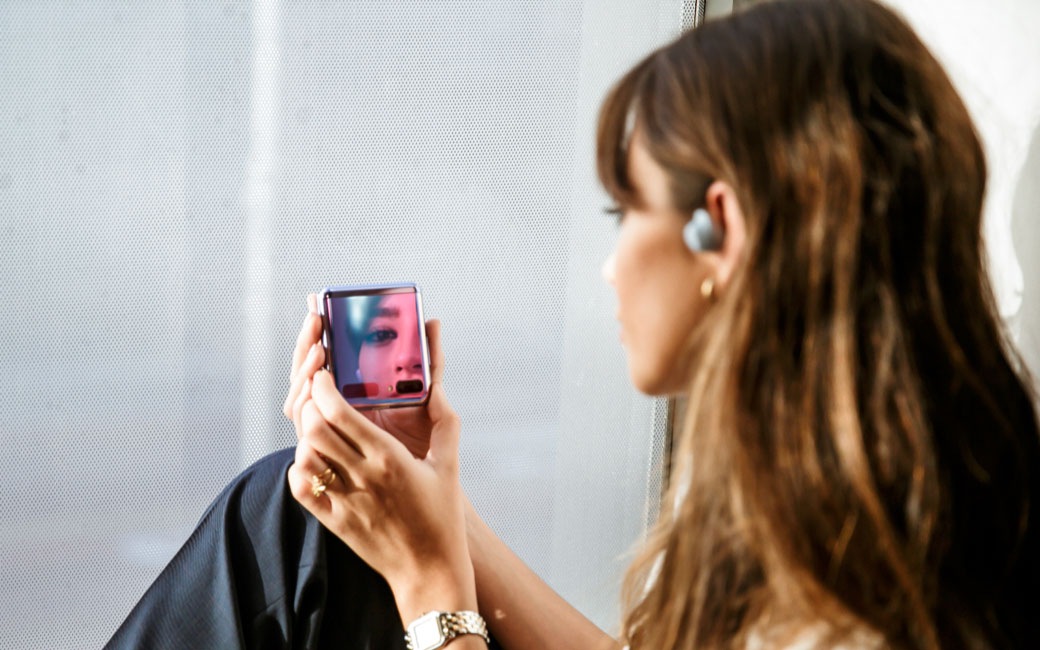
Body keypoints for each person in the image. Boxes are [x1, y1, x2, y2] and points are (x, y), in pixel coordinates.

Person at [108, 0, 1040, 648]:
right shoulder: (873, 497)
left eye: (623, 212)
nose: (611, 262)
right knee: (303, 512)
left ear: (724, 229)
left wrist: (433, 585)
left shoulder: (873, 610)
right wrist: (439, 515)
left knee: (289, 526)